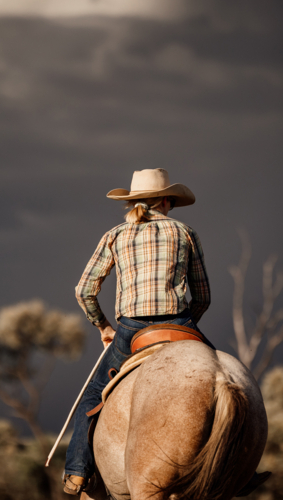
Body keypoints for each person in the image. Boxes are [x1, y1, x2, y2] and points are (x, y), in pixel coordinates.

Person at [63, 168, 213, 495]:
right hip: (179, 323)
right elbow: (202, 295)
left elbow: (84, 290)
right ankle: (244, 467)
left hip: (132, 329)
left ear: (135, 201)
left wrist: (104, 326)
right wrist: (186, 327)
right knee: (224, 378)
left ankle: (77, 471)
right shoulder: (185, 232)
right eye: (171, 200)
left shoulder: (115, 235)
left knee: (92, 395)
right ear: (165, 200)